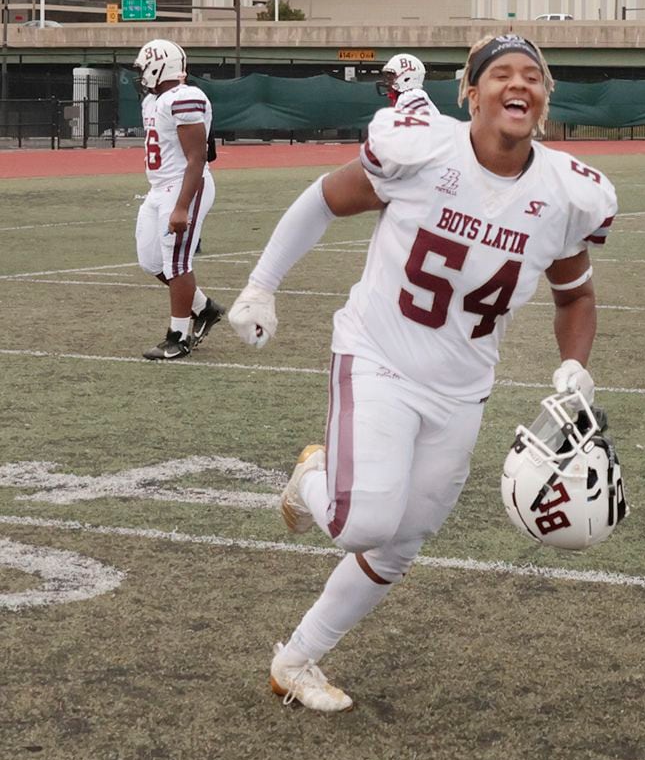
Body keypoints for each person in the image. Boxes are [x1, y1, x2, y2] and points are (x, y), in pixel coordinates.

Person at [222, 35, 617, 712]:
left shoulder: (567, 194)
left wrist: (575, 365)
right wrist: (262, 285)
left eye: (533, 76)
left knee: (400, 545)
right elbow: (324, 198)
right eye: (501, 74)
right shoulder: (423, 151)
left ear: (546, 99)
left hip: (463, 388)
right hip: (379, 354)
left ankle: (296, 660)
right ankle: (312, 474)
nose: (519, 84)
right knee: (361, 525)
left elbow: (574, 295)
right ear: (471, 93)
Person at [132, 38, 225, 360]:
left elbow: (198, 157)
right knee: (150, 261)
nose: (141, 75)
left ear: (160, 67)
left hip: (185, 186)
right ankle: (204, 308)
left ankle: (178, 337)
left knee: (177, 263)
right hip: (159, 188)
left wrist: (182, 206)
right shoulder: (153, 101)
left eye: (144, 68)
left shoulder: (185, 97)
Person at [379, 52, 435, 117]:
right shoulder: (406, 95)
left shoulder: (411, 96)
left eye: (391, 76)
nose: (387, 81)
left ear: (406, 78)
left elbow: (419, 122)